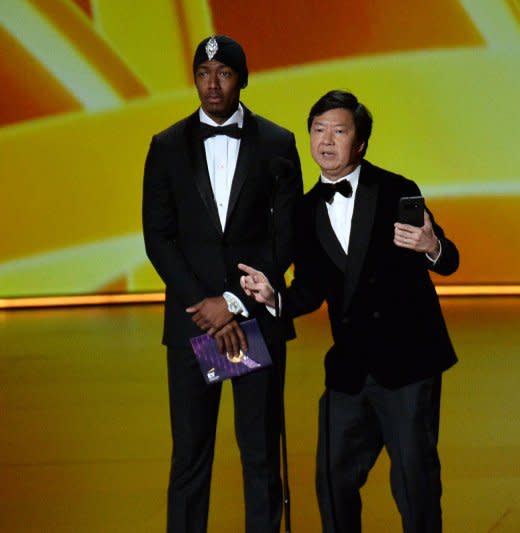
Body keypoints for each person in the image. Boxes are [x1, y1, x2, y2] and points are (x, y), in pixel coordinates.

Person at [239, 89, 459, 532]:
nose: (326, 141)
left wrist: (431, 245)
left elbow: (449, 259)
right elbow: (311, 289)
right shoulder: (303, 211)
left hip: (408, 365)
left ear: (360, 142)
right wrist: (274, 298)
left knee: (416, 486)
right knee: (332, 482)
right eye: (318, 130)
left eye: (339, 131)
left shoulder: (397, 189)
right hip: (350, 369)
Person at [142, 35, 302, 533]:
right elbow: (158, 237)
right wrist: (206, 308)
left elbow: (286, 237)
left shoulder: (277, 142)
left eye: (224, 73)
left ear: (243, 78)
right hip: (195, 326)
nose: (212, 84)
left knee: (258, 452)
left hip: (249, 320)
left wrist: (231, 304)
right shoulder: (166, 146)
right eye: (203, 73)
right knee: (191, 455)